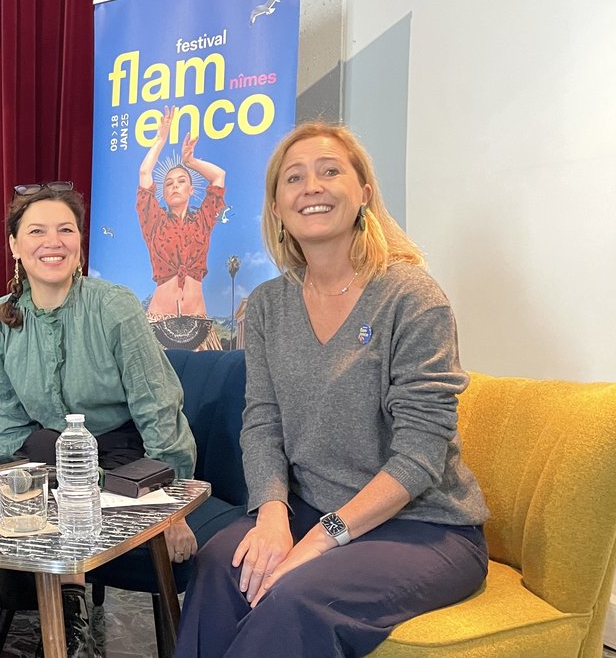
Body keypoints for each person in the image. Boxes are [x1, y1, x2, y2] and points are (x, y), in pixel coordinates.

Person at [174, 123, 490, 657]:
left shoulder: (411, 296)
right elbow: (263, 423)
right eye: (293, 178)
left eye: (330, 171)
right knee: (219, 566)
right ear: (277, 206)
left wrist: (320, 538)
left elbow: (419, 456)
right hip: (307, 508)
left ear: (363, 191)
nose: (312, 187)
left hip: (423, 528)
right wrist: (273, 513)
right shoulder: (271, 304)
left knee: (293, 596)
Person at [0, 181, 221, 658]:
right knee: (29, 468)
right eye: (36, 231)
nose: (53, 242)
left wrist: (172, 510)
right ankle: (63, 605)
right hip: (46, 452)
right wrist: (13, 490)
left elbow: (157, 407)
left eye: (65, 230)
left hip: (123, 452)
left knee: (52, 463)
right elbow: (10, 419)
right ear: (14, 245)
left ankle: (66, 608)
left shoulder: (113, 305)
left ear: (79, 243)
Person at [137, 105, 229, 350]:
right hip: (158, 325)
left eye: (181, 181)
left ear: (191, 190)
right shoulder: (153, 221)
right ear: (163, 193)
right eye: (168, 183)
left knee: (208, 388)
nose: (175, 186)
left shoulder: (203, 220)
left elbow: (219, 176)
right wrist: (160, 140)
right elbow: (145, 172)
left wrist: (190, 161)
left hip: (199, 326)